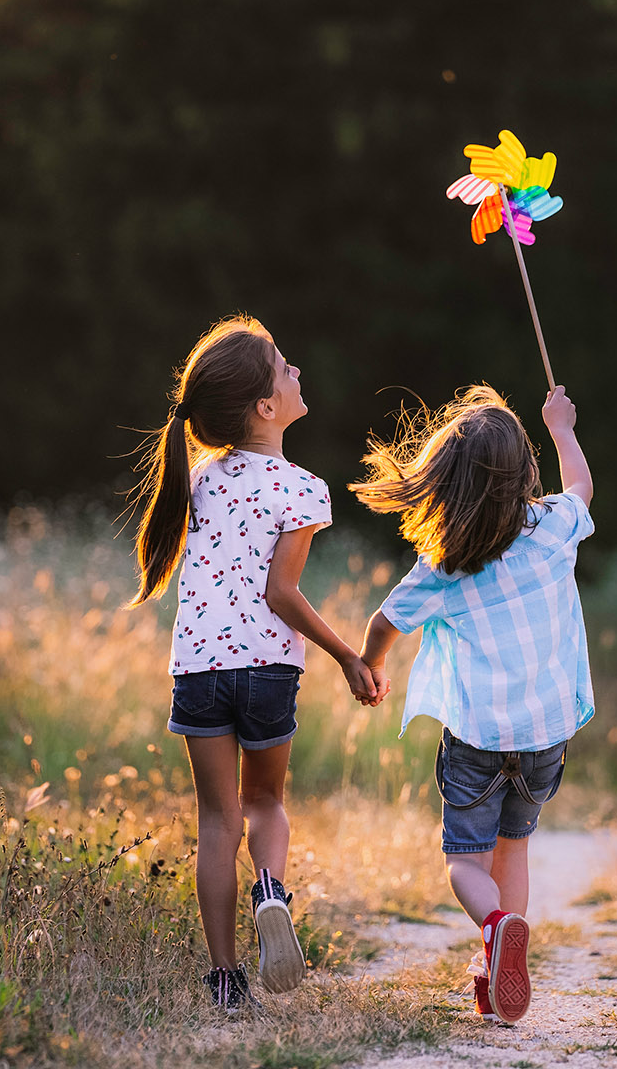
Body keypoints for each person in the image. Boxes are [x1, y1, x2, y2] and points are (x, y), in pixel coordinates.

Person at [128, 317, 380, 1013]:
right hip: (267, 668)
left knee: (217, 822)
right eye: (285, 368)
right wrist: (347, 655)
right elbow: (281, 594)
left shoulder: (195, 479)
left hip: (199, 671)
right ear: (266, 407)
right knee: (265, 803)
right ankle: (272, 889)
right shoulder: (303, 487)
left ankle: (223, 982)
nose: (298, 373)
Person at [353, 383, 595, 1025]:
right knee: (513, 847)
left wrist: (370, 665)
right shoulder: (552, 529)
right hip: (545, 735)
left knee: (465, 861)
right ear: (524, 471)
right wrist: (563, 427)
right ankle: (501, 964)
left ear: (449, 482)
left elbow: (385, 621)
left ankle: (493, 928)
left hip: (478, 739)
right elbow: (582, 490)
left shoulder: (447, 562)